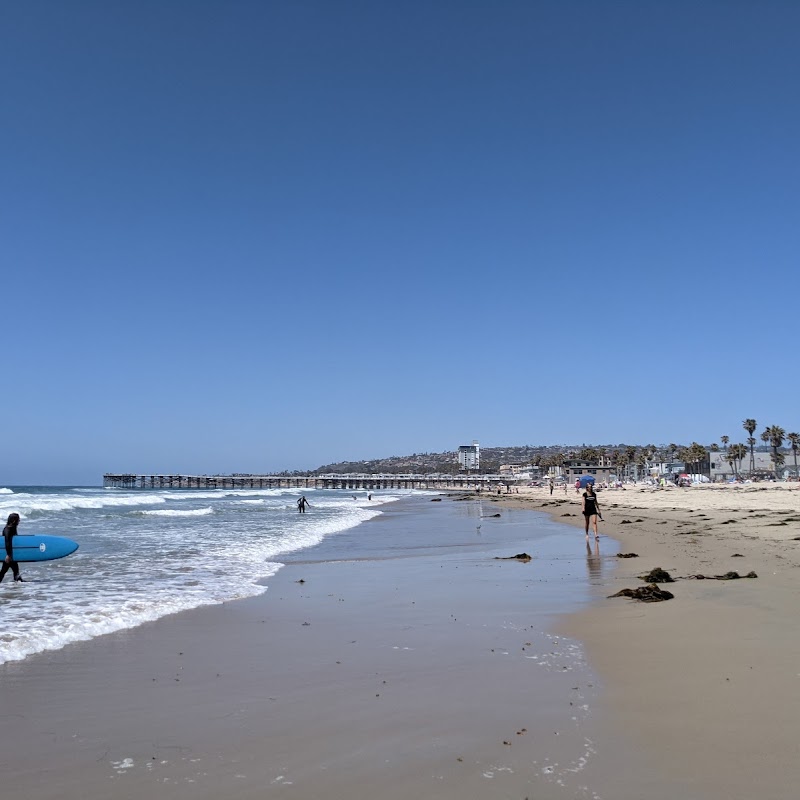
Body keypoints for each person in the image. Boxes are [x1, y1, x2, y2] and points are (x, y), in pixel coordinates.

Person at [0, 512, 23, 583]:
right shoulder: (8, 530)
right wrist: (8, 555)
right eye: (18, 520)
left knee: (8, 570)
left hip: (11, 554)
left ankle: (18, 584)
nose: (19, 521)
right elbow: (7, 542)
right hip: (9, 554)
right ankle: (19, 583)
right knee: (7, 570)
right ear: (14, 521)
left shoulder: (12, 528)